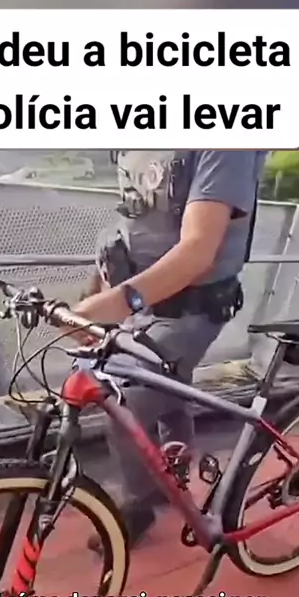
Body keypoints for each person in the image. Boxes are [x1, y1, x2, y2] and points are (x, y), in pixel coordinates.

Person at [72, 150, 266, 551]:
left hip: (189, 309)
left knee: (126, 400)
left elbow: (198, 249)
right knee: (170, 385)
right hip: (144, 301)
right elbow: (133, 217)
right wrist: (99, 288)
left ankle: (139, 502)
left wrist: (116, 304)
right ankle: (170, 477)